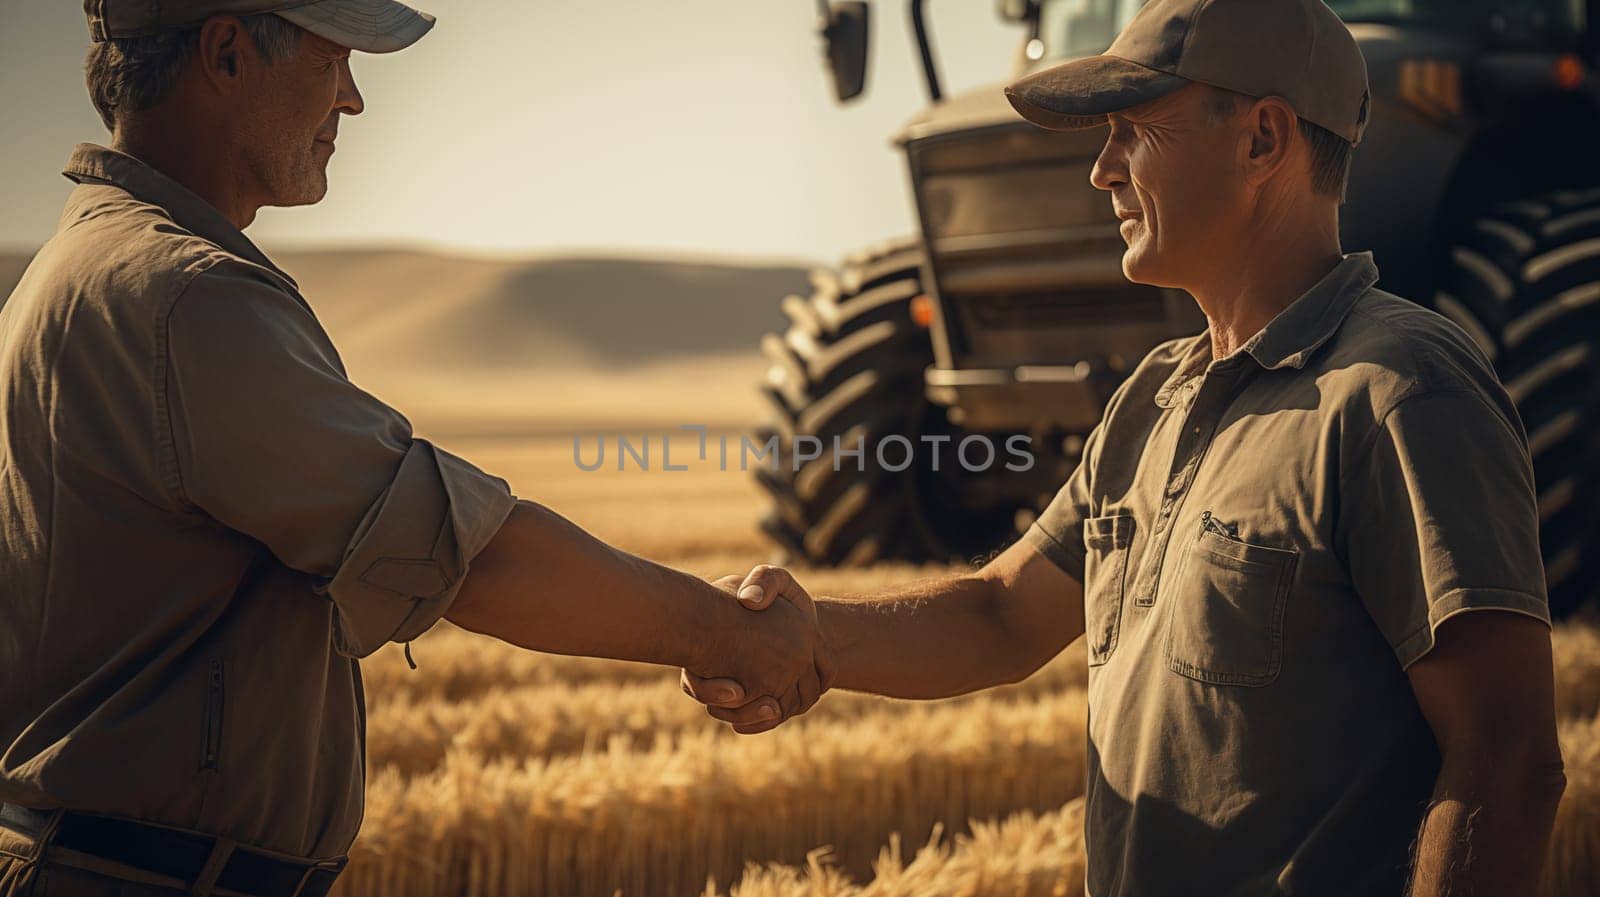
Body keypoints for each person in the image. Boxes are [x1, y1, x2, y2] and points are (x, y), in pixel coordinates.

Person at [684, 0, 1566, 894]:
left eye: (1134, 131)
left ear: (1262, 140)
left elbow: (1509, 761)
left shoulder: (1400, 392)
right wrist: (815, 636)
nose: (1102, 171)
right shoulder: (1154, 396)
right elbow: (1001, 614)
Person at [0, 3, 829, 895]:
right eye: (333, 61)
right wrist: (725, 634)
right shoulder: (185, 299)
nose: (352, 100)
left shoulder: (74, 270)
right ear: (229, 53)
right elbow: (463, 556)